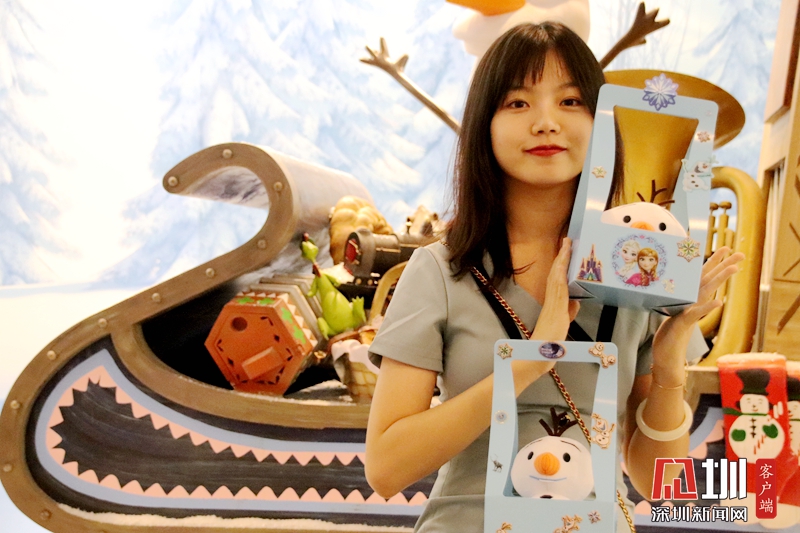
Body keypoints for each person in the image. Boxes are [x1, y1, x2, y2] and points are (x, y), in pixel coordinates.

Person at [365, 22, 743, 533]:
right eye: (518, 103)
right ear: (484, 125)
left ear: (601, 121)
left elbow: (655, 482)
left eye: (570, 102)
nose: (546, 123)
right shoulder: (440, 270)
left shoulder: (644, 272)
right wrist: (527, 364)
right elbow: (386, 469)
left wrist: (670, 358)